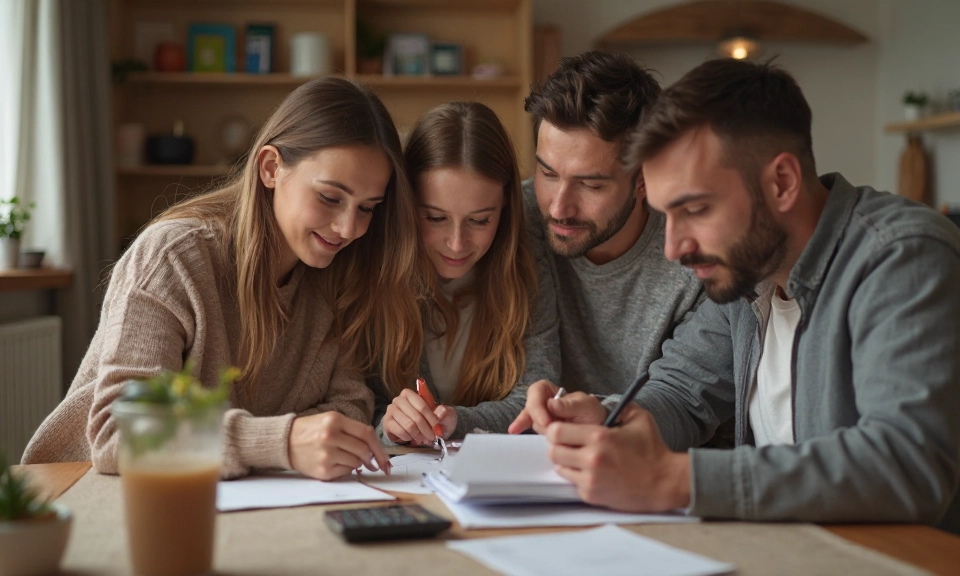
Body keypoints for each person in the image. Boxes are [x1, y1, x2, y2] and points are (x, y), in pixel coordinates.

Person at [515, 58, 960, 554]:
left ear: (781, 182)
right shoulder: (748, 276)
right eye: (665, 215)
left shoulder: (907, 262)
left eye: (695, 209)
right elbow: (680, 393)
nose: (673, 248)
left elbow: (904, 466)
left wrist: (676, 479)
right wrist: (605, 417)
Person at [22, 77, 426, 481]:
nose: (348, 227)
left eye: (368, 208)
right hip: (85, 491)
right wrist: (281, 442)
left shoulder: (340, 275)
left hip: (237, 493)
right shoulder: (174, 256)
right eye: (330, 198)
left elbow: (348, 411)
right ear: (271, 168)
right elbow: (120, 433)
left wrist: (281, 442)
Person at [489, 51, 707, 442]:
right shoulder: (510, 221)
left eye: (591, 185)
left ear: (643, 180)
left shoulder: (694, 254)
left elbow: (686, 400)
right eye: (548, 173)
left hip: (645, 464)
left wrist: (608, 417)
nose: (558, 207)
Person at [376, 101, 558, 446]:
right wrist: (389, 427)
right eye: (435, 218)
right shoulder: (379, 275)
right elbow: (357, 407)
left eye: (479, 220)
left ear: (504, 208)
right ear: (407, 204)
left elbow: (535, 402)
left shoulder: (525, 268)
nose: (457, 244)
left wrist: (459, 420)